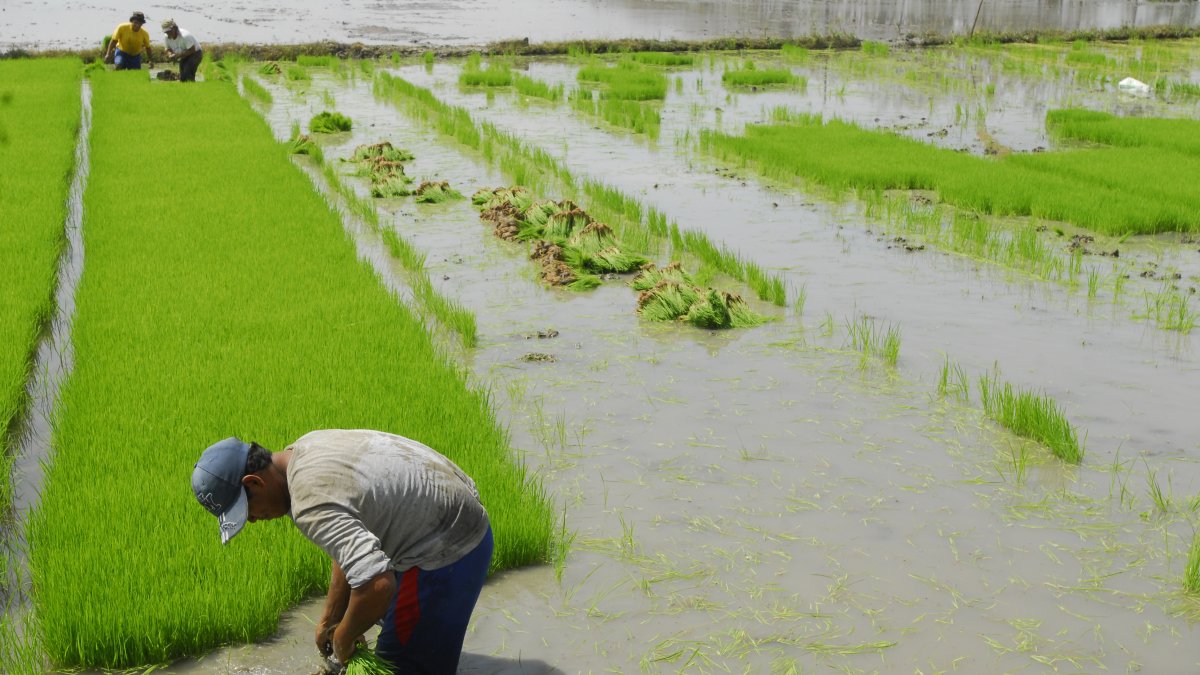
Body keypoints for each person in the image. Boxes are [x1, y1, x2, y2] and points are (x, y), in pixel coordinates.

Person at [192, 429, 493, 674]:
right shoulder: (303, 449)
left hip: (448, 551)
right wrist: (330, 619)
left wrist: (343, 638)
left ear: (254, 481)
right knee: (396, 637)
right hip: (447, 519)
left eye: (248, 511)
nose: (254, 520)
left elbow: (377, 584)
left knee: (401, 666)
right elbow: (349, 547)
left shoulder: (308, 501)